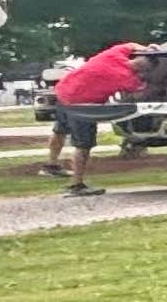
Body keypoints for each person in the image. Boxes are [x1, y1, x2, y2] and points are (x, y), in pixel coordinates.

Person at [44, 41, 145, 195]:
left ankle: (51, 165)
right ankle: (77, 185)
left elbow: (131, 44)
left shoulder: (115, 54)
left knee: (60, 130)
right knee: (83, 144)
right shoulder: (125, 77)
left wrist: (149, 48)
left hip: (64, 91)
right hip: (82, 104)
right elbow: (140, 90)